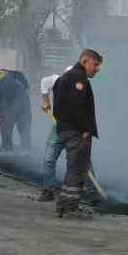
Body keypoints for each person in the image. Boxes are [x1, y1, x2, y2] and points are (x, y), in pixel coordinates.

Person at [36, 66, 101, 204]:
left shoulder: (83, 87)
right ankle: (49, 190)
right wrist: (46, 100)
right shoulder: (58, 80)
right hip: (59, 127)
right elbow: (44, 81)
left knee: (82, 161)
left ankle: (93, 194)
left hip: (77, 129)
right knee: (49, 158)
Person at [51, 50, 103, 218]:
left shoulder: (65, 77)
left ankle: (63, 204)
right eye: (95, 65)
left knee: (73, 167)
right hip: (76, 132)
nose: (97, 69)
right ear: (85, 61)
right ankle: (72, 207)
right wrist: (85, 130)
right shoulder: (78, 78)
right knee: (78, 169)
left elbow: (59, 102)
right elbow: (77, 106)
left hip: (65, 129)